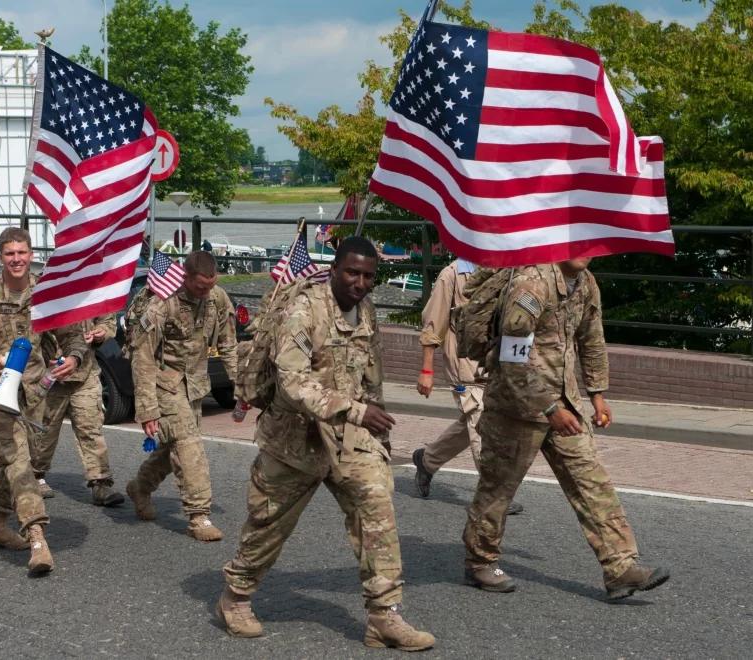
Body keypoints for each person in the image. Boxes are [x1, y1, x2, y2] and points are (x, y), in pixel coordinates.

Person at [218, 237, 435, 651]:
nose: (360, 282)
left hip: (348, 438)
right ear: (334, 270)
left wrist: (379, 434)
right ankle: (236, 597)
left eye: (369, 276)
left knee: (377, 506)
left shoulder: (366, 310)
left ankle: (383, 616)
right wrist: (355, 411)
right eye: (352, 272)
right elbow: (294, 382)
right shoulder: (302, 312)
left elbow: (371, 377)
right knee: (268, 524)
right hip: (294, 437)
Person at [461, 257, 670, 601]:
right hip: (516, 407)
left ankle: (620, 568)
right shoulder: (532, 285)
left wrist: (598, 394)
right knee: (497, 490)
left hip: (565, 406)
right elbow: (512, 359)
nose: (584, 251)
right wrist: (548, 407)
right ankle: (479, 560)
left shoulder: (586, 283)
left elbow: (592, 337)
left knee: (593, 483)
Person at [0, 227, 88, 575]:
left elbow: (73, 335)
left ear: (30, 253)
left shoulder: (46, 293)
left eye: (21, 253)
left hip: (36, 391)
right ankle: (37, 536)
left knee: (15, 460)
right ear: (0, 256)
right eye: (9, 253)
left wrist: (74, 358)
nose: (16, 260)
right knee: (19, 460)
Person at [125, 250, 238, 542]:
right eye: (200, 286)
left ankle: (140, 487)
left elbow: (227, 344)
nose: (205, 292)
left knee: (168, 451)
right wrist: (147, 409)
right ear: (185, 277)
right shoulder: (163, 303)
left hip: (195, 386)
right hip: (166, 386)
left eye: (210, 285)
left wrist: (241, 385)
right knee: (189, 447)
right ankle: (199, 515)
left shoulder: (217, 299)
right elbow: (143, 357)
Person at [410, 259, 524, 514]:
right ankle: (494, 494)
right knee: (480, 423)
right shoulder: (451, 275)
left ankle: (427, 460)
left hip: (493, 366)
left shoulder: (505, 270)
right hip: (464, 370)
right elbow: (432, 325)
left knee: (471, 424)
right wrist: (426, 371)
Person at [30, 314, 126, 506]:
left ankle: (101, 483)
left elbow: (107, 319)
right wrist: (39, 358)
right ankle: (34, 475)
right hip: (50, 376)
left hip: (85, 373)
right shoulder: (41, 290)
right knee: (44, 431)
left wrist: (102, 332)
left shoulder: (90, 289)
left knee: (90, 429)